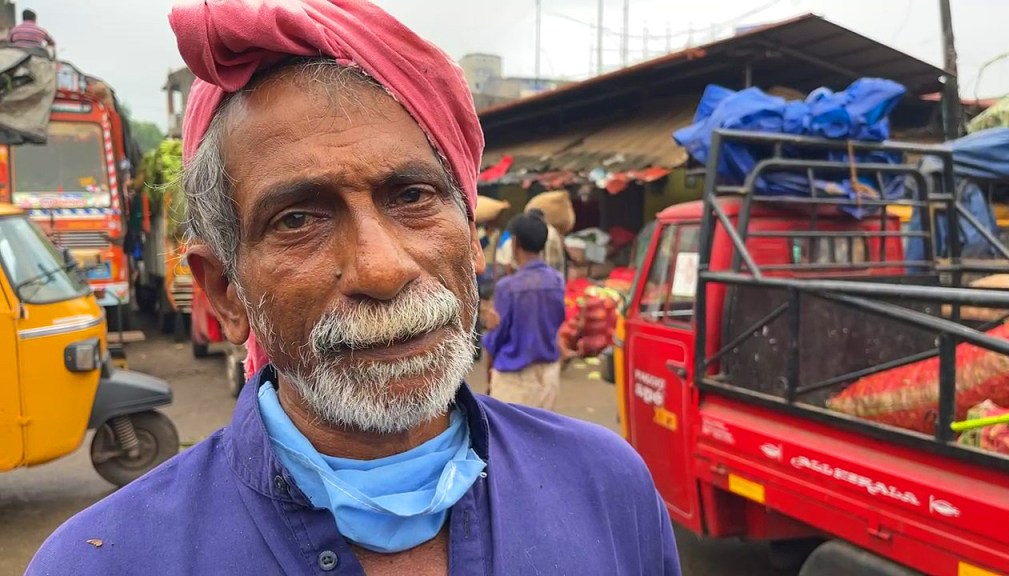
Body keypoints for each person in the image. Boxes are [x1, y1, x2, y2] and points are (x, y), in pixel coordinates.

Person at [28, 1, 680, 574]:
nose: (382, 270)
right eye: (297, 219)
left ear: (471, 238)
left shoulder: (607, 488)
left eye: (413, 196)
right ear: (226, 291)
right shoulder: (104, 561)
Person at [483, 211, 566, 409]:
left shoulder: (508, 287)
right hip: (548, 375)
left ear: (515, 243)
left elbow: (495, 339)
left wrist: (489, 330)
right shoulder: (557, 281)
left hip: (514, 380)